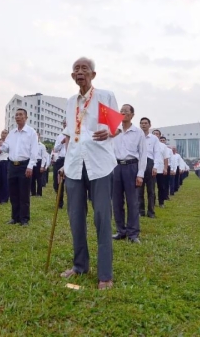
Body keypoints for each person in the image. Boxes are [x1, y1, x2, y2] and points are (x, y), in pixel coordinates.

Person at [58, 56, 118, 290]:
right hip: (74, 164)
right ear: (73, 76)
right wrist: (64, 163)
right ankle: (79, 265)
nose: (80, 72)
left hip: (99, 164)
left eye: (84, 68)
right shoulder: (70, 101)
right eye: (76, 69)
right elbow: (71, 133)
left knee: (102, 218)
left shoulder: (104, 96)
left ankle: (105, 274)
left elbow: (114, 126)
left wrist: (110, 134)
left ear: (93, 74)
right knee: (75, 217)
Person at [112, 104, 146, 243]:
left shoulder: (138, 133)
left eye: (126, 111)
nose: (123, 113)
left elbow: (143, 154)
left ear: (132, 115)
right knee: (116, 201)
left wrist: (140, 174)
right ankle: (121, 230)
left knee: (132, 202)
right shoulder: (114, 131)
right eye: (121, 111)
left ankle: (133, 233)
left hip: (132, 167)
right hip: (116, 167)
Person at [0, 109, 38, 226]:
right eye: (16, 115)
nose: (18, 117)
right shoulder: (12, 133)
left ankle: (24, 218)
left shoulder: (31, 132)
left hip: (24, 165)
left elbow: (34, 151)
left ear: (26, 117)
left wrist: (30, 166)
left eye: (20, 115)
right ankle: (14, 217)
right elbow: (6, 148)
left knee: (24, 193)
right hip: (12, 165)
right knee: (13, 192)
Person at [138, 117, 158, 218]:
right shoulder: (137, 136)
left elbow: (157, 153)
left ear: (149, 125)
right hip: (139, 163)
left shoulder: (154, 138)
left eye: (145, 123)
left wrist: (155, 167)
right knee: (139, 190)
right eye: (141, 123)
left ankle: (151, 211)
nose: (143, 125)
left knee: (151, 190)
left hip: (150, 163)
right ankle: (140, 211)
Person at [53, 121, 68, 208]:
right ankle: (59, 203)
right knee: (58, 183)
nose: (65, 125)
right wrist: (62, 142)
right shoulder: (60, 136)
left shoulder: (75, 134)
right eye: (64, 123)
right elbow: (55, 149)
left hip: (69, 159)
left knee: (70, 183)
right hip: (60, 160)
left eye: (67, 123)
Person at [31, 132, 49, 197]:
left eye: (37, 135)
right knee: (32, 178)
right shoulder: (31, 145)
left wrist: (42, 166)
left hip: (39, 162)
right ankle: (33, 192)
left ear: (39, 136)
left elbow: (44, 157)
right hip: (32, 162)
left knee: (39, 179)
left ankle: (39, 193)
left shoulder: (42, 146)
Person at [0, 130, 10, 204]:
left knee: (5, 180)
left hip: (5, 161)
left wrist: (3, 146)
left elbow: (10, 151)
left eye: (5, 133)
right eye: (2, 133)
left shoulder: (9, 142)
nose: (3, 135)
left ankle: (5, 198)